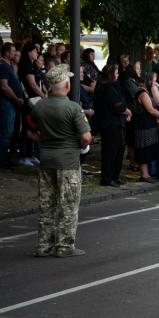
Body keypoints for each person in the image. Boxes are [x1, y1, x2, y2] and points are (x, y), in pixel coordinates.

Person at [28, 65, 92, 257]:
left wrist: (44, 139)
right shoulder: (73, 108)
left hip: (46, 160)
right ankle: (64, 246)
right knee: (68, 205)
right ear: (67, 85)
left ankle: (43, 245)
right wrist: (78, 144)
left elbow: (30, 131)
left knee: (47, 205)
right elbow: (87, 137)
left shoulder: (39, 106)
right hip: (68, 162)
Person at [93, 63, 132, 187]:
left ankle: (115, 176)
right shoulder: (105, 88)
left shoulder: (113, 86)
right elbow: (118, 106)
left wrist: (125, 110)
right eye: (116, 73)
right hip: (110, 124)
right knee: (110, 152)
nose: (118, 74)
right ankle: (107, 178)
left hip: (117, 123)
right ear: (110, 74)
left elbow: (122, 102)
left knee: (119, 151)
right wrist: (127, 111)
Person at [0, 43, 25, 169]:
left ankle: (6, 159)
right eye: (13, 51)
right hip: (6, 103)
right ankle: (2, 162)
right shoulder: (3, 66)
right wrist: (16, 98)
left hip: (11, 103)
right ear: (6, 52)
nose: (15, 54)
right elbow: (4, 86)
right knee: (6, 133)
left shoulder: (8, 65)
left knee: (9, 133)